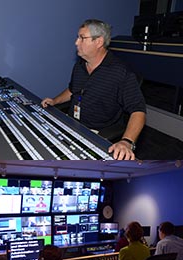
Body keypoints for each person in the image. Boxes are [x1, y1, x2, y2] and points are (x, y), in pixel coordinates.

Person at [41, 19, 146, 161]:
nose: (76, 42)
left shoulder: (121, 72)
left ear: (98, 42)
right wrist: (55, 100)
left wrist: (127, 142)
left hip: (96, 132)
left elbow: (138, 110)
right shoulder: (80, 65)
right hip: (72, 124)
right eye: (78, 37)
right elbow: (73, 90)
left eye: (82, 38)